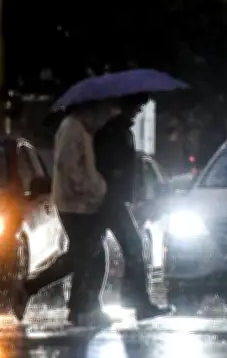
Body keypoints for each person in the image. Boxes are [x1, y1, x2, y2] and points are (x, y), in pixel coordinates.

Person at [94, 94, 167, 320]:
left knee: (92, 252)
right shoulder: (112, 132)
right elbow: (108, 164)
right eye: (137, 107)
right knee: (132, 247)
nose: (138, 112)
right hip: (108, 199)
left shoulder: (122, 130)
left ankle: (129, 299)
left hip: (114, 198)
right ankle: (137, 301)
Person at [52, 102, 119, 326]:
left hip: (82, 203)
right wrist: (93, 188)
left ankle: (81, 307)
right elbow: (67, 166)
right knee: (87, 255)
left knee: (87, 254)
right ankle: (80, 308)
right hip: (74, 203)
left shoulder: (82, 130)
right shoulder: (72, 128)